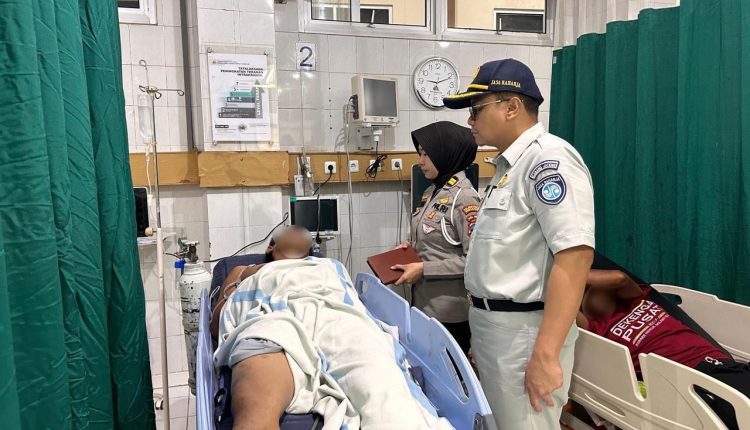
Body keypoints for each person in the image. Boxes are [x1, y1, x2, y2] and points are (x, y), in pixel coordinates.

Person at [443, 59, 596, 428]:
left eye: (476, 109)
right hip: (498, 330)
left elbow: (575, 258)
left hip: (526, 336)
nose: (470, 120)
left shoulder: (549, 160)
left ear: (511, 106)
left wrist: (546, 354)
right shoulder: (509, 167)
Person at [211, 226, 452, 430]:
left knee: (385, 396)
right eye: (289, 231)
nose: (297, 231)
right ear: (270, 247)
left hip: (338, 320)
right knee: (256, 412)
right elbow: (218, 322)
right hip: (271, 321)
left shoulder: (329, 265)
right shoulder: (243, 271)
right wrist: (239, 285)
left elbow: (351, 303)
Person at [578, 269, 750, 430]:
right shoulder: (594, 330)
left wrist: (575, 274)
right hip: (691, 379)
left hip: (720, 362)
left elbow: (619, 278)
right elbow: (566, 306)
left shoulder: (637, 300)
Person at [391, 121, 480, 354]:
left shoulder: (465, 198)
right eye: (420, 153)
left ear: (445, 152)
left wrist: (424, 269)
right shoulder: (432, 191)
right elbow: (437, 240)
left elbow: (475, 261)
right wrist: (410, 249)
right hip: (423, 305)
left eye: (426, 154)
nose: (420, 161)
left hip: (449, 314)